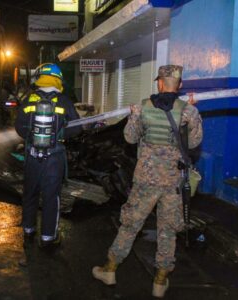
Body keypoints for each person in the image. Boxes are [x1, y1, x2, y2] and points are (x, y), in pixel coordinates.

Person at [92, 65, 203, 297]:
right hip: (173, 181)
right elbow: (193, 145)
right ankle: (160, 282)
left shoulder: (143, 107)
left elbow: (129, 138)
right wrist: (192, 114)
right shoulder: (188, 111)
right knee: (168, 230)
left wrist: (133, 116)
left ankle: (110, 270)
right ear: (179, 85)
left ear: (159, 83)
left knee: (131, 224)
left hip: (146, 181)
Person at [15, 63, 81, 247]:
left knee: (30, 193)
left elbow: (19, 128)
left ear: (39, 78)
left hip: (32, 156)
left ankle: (28, 229)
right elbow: (76, 129)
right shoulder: (64, 101)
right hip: (54, 158)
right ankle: (48, 236)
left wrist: (32, 137)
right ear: (58, 79)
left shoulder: (29, 99)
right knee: (52, 196)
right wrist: (59, 136)